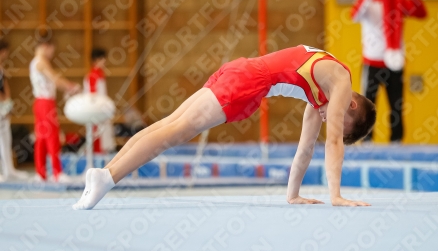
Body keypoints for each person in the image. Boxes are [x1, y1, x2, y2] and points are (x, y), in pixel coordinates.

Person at [73, 45, 376, 210]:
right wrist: (336, 195)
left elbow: (306, 149)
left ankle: (105, 171)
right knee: (174, 134)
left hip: (239, 69)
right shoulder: (341, 82)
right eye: (338, 119)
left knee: (168, 124)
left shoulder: (318, 95)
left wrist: (293, 195)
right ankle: (109, 177)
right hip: (249, 82)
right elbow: (333, 141)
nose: (328, 121)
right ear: (351, 106)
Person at [351, 0, 427, 142]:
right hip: (372, 62)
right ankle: (367, 139)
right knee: (368, 104)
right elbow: (354, 14)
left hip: (394, 62)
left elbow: (422, 13)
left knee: (396, 104)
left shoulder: (398, 3)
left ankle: (397, 140)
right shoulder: (368, 3)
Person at [30, 36, 80, 182]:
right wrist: (72, 87)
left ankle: (41, 173)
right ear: (46, 46)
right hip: (45, 103)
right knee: (52, 136)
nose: (52, 54)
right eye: (52, 50)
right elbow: (56, 80)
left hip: (39, 102)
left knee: (41, 138)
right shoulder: (41, 61)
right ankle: (57, 173)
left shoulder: (34, 61)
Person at [0, 41, 29, 180]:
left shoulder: (1, 67)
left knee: (6, 138)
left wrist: (8, 103)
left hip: (3, 106)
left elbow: (4, 86)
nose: (7, 55)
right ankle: (4, 170)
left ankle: (8, 169)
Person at [84, 48, 115, 153]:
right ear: (96, 60)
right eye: (103, 59)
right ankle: (97, 156)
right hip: (96, 111)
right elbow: (93, 96)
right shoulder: (93, 75)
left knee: (105, 140)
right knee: (98, 138)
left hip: (102, 110)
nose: (105, 61)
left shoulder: (100, 74)